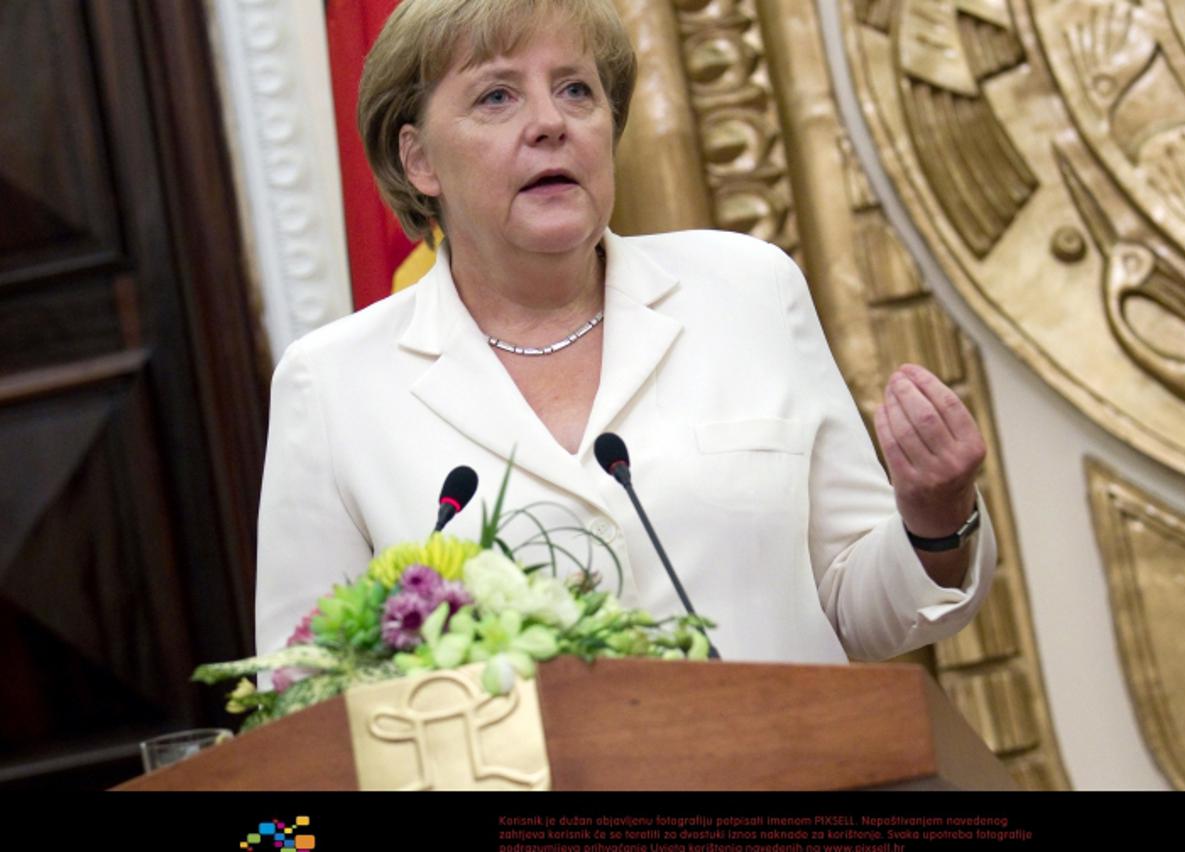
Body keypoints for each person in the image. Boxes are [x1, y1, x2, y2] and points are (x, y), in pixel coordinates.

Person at [256, 0, 995, 664]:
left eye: (576, 89)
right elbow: (308, 690)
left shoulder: (748, 291)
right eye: (497, 96)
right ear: (418, 160)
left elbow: (854, 608)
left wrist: (934, 518)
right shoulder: (332, 385)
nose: (552, 122)